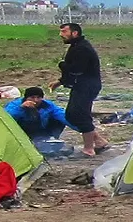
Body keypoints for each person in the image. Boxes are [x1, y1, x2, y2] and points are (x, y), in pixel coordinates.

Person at [50, 23, 107, 156]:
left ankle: (89, 148)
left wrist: (62, 65)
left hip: (87, 86)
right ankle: (99, 141)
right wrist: (60, 82)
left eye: (64, 31)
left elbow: (76, 70)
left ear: (75, 33)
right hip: (82, 85)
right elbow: (75, 71)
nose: (61, 35)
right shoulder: (76, 47)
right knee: (72, 114)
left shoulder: (82, 49)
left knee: (79, 114)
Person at [4, 87, 70, 141]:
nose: (36, 100)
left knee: (59, 120)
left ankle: (50, 139)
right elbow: (6, 118)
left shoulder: (47, 105)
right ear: (26, 98)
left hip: (41, 129)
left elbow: (63, 116)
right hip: (23, 130)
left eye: (38, 97)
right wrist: (21, 108)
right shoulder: (15, 104)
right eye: (32, 97)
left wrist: (79, 127)